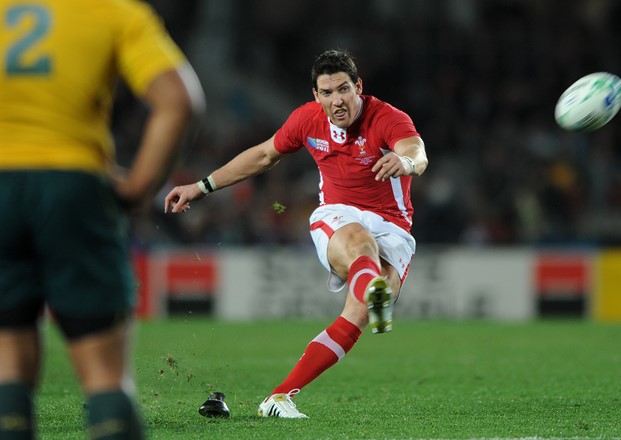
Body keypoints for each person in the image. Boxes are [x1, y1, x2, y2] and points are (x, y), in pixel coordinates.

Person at [165, 49, 427, 419]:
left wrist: (405, 161)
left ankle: (279, 397)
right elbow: (262, 156)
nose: (337, 100)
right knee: (359, 243)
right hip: (338, 215)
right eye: (327, 92)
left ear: (359, 88)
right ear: (316, 96)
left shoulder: (387, 117)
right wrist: (202, 186)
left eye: (344, 89)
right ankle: (373, 287)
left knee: (359, 313)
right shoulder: (307, 119)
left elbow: (417, 151)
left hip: (394, 227)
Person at [0, 0, 205, 438]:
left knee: (8, 365)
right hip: (73, 184)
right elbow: (179, 101)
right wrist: (138, 188)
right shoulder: (114, 12)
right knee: (104, 376)